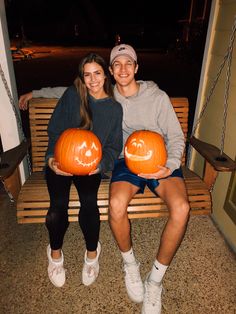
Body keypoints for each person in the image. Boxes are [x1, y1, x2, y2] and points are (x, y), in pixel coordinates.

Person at [19, 44, 190, 314]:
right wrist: (35, 94)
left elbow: (176, 136)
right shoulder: (97, 95)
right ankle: (127, 264)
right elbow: (69, 92)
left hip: (156, 160)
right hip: (118, 161)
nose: (122, 69)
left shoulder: (153, 97)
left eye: (128, 64)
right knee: (105, 206)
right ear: (111, 71)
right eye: (117, 65)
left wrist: (168, 166)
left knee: (182, 208)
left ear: (135, 68)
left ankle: (154, 280)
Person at [40, 53, 123, 289]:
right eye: (87, 74)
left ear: (106, 74)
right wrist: (51, 160)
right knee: (58, 204)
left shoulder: (114, 109)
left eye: (97, 73)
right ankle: (55, 253)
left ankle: (92, 254)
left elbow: (114, 145)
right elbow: (55, 130)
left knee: (89, 202)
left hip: (90, 165)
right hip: (62, 160)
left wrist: (101, 165)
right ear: (82, 77)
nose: (93, 79)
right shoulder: (73, 94)